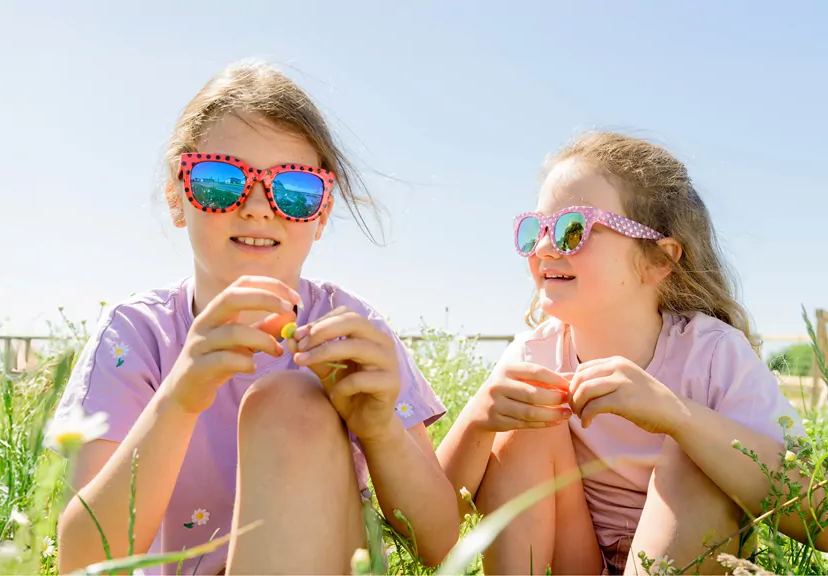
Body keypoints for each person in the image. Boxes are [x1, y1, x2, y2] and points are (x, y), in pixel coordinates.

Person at [53, 59, 459, 575]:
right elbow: (82, 561)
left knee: (290, 401)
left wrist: (380, 429)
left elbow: (442, 545)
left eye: (294, 190)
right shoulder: (138, 336)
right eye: (221, 181)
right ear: (178, 196)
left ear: (323, 213)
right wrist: (179, 399)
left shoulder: (351, 329)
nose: (259, 206)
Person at [437, 132, 815, 574]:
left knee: (695, 455)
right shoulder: (534, 354)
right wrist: (480, 418)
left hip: (685, 555)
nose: (543, 248)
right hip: (571, 559)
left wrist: (678, 416)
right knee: (526, 426)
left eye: (572, 228)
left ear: (658, 259)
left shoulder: (713, 355)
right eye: (534, 229)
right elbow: (433, 525)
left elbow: (817, 518)